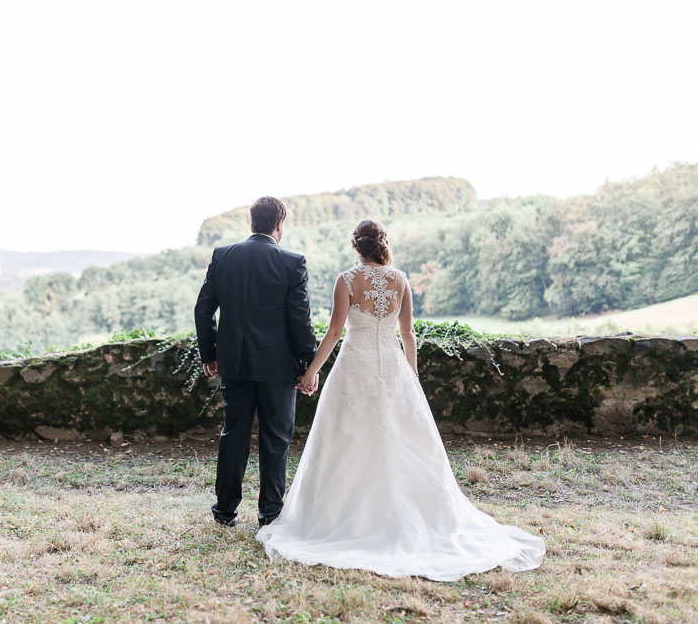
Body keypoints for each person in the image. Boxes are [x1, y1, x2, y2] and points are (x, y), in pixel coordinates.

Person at [255, 219, 545, 581]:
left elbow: (333, 332)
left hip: (354, 364)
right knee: (399, 436)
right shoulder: (401, 279)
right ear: (381, 244)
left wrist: (312, 371)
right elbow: (407, 333)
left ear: (356, 247)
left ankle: (341, 519)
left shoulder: (346, 280)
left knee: (348, 437)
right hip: (393, 366)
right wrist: (412, 376)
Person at [194, 196, 318, 527]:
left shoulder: (224, 256)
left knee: (233, 433)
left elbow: (204, 308)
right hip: (279, 368)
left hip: (233, 362)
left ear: (252, 223)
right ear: (280, 225)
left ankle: (224, 511)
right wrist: (308, 364)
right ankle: (270, 515)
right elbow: (300, 320)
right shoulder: (292, 263)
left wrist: (210, 353)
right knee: (276, 439)